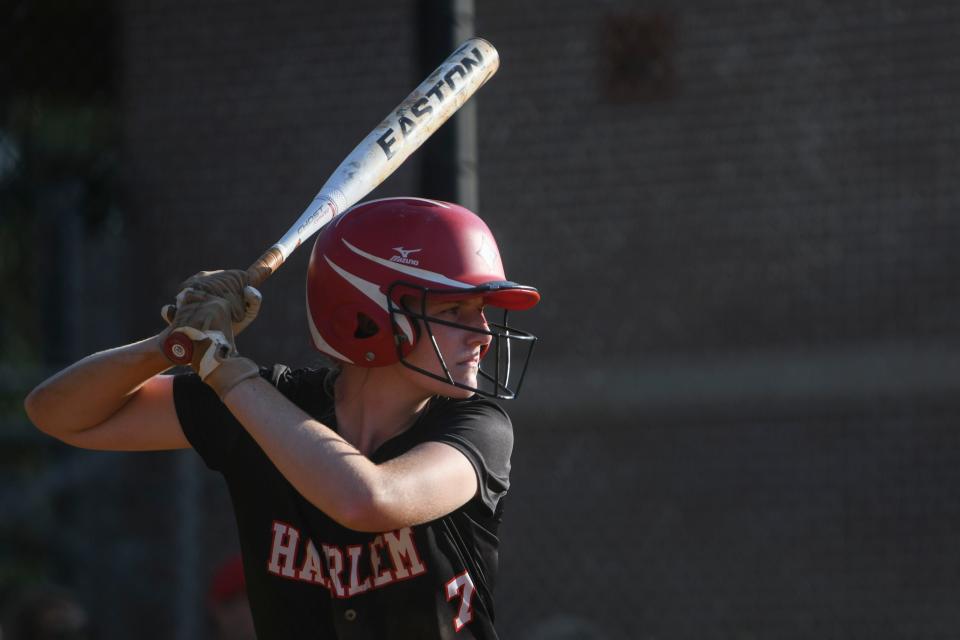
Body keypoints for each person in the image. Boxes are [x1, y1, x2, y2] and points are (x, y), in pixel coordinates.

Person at [24, 197, 540, 639]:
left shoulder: (477, 427)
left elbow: (367, 499)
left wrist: (226, 371)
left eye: (482, 312)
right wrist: (173, 344)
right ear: (366, 317)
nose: (484, 335)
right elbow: (58, 414)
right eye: (454, 313)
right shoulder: (262, 401)